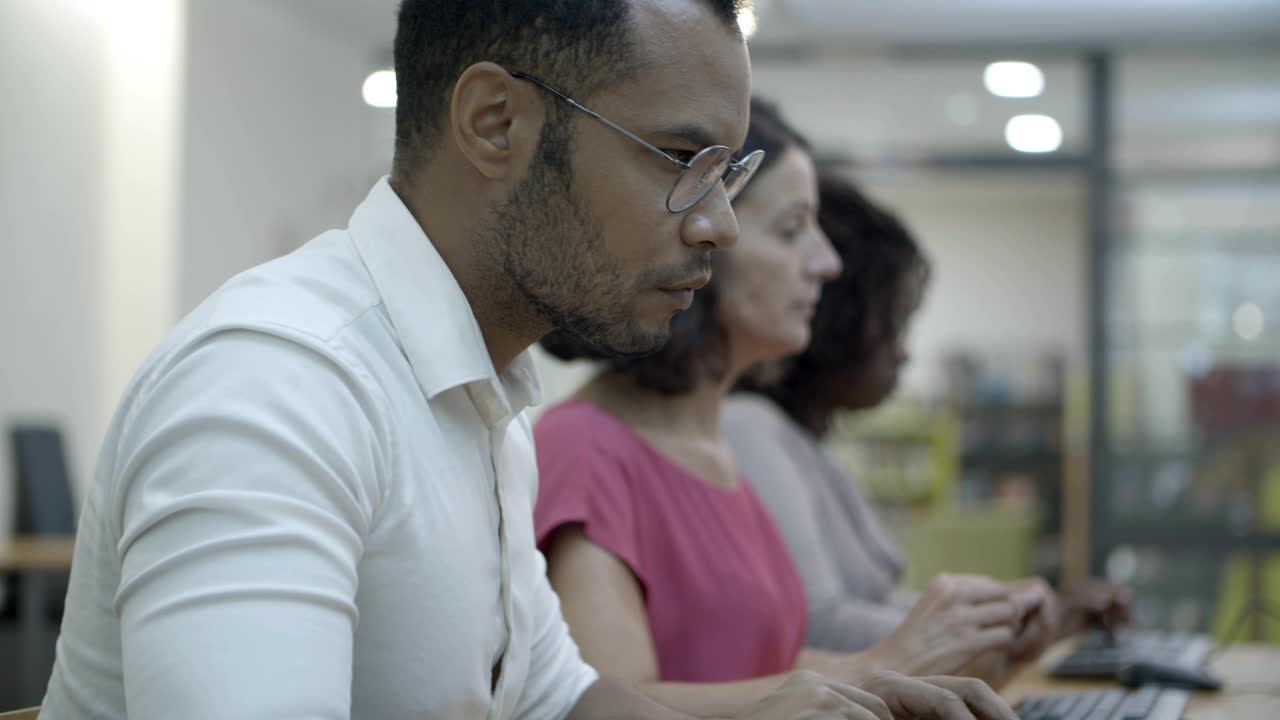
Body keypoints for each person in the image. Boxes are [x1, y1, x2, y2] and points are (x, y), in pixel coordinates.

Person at [36, 2, 901, 718]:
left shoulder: (480, 396)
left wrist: (812, 702)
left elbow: (556, 699)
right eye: (681, 160)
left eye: (727, 175)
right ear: (497, 124)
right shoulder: (279, 385)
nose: (720, 224)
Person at [532, 98, 1025, 720]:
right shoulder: (585, 450)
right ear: (707, 236)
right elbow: (608, 703)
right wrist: (881, 666)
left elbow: (761, 666)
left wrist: (912, 672)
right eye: (792, 230)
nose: (827, 263)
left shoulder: (717, 450)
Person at [723, 172, 1133, 683]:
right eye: (893, 324)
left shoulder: (793, 437)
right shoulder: (749, 429)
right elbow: (819, 626)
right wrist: (997, 625)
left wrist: (1008, 616)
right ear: (840, 321)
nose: (903, 352)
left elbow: (872, 616)